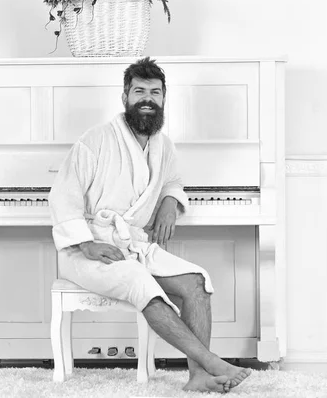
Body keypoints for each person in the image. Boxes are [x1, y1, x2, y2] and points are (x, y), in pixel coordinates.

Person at [48, 57, 251, 393]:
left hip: (134, 245)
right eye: (139, 91)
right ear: (125, 97)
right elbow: (63, 196)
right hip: (88, 252)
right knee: (144, 285)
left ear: (163, 99)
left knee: (197, 284)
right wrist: (86, 243)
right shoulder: (95, 140)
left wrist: (171, 202)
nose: (147, 98)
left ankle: (198, 376)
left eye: (154, 92)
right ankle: (211, 361)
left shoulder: (162, 145)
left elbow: (172, 181)